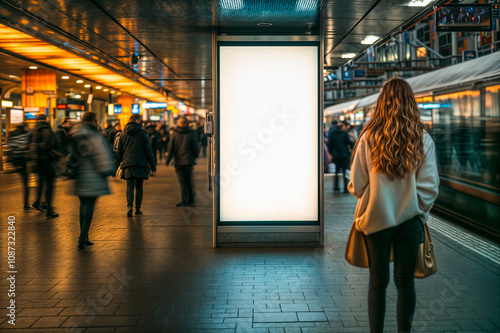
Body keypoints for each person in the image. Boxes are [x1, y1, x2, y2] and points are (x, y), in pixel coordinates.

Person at [348, 77, 440, 333]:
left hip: (376, 222)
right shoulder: (422, 139)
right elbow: (430, 188)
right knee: (405, 283)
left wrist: (376, 197)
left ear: (382, 104)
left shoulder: (368, 138)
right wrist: (414, 209)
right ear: (411, 103)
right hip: (410, 223)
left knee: (377, 282)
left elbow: (356, 185)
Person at [66, 111, 115, 249]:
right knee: (89, 206)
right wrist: (108, 169)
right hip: (93, 175)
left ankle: (84, 235)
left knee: (83, 206)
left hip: (80, 175)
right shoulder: (94, 135)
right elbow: (101, 155)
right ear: (93, 121)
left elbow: (70, 154)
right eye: (96, 121)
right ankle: (83, 237)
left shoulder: (75, 133)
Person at [117, 114, 156, 217]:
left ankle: (129, 206)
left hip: (127, 163)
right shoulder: (143, 133)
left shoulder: (123, 134)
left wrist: (120, 162)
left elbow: (119, 151)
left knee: (129, 186)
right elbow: (148, 150)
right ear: (138, 121)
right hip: (140, 163)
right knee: (139, 186)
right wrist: (152, 164)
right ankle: (137, 208)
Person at [30, 113, 60, 219]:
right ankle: (49, 211)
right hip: (47, 161)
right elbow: (48, 145)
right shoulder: (47, 131)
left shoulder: (33, 131)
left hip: (37, 162)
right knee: (49, 185)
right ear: (45, 120)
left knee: (40, 183)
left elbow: (30, 145)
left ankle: (37, 202)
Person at [166, 116, 199, 206]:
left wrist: (168, 160)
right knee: (189, 181)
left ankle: (185, 200)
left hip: (179, 162)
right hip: (189, 161)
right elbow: (195, 147)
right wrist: (194, 156)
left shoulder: (175, 133)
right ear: (187, 123)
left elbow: (171, 148)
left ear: (179, 123)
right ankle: (191, 199)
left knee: (183, 182)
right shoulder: (192, 133)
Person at [6, 123, 31, 210]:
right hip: (23, 162)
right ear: (23, 128)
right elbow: (27, 147)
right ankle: (26, 204)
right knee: (25, 183)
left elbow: (9, 147)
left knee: (24, 182)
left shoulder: (11, 136)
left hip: (16, 162)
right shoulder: (24, 137)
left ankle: (26, 203)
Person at [327, 121, 353, 193]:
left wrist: (331, 153)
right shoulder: (344, 133)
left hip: (336, 156)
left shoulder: (332, 133)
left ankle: (336, 187)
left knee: (336, 172)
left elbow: (329, 144)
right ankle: (345, 188)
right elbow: (350, 143)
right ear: (342, 127)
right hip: (344, 155)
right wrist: (351, 150)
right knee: (345, 172)